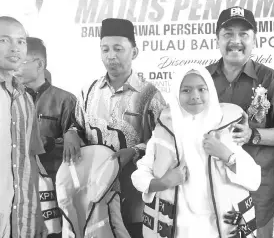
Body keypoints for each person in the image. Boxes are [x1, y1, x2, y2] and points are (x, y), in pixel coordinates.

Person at [63, 18, 166, 238]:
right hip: (94, 190)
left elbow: (164, 142)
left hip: (133, 188)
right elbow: (77, 125)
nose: (111, 56)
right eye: (105, 49)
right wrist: (71, 133)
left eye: (118, 49)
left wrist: (136, 151)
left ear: (134, 52)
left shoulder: (149, 95)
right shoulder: (88, 91)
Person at [131, 64, 261, 238]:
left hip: (221, 227)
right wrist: (163, 183)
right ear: (176, 93)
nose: (195, 96)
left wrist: (226, 155)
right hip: (180, 227)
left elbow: (254, 179)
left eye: (201, 89)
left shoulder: (226, 128)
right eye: (186, 90)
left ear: (211, 91)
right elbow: (141, 175)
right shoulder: (164, 131)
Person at [206, 6, 274, 238]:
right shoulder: (202, 78)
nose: (235, 41)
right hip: (211, 186)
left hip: (257, 187)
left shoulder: (270, 78)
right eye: (228, 34)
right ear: (217, 39)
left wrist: (253, 135)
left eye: (243, 35)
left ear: (254, 40)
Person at [0, 16, 47, 238]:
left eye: (21, 41)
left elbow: (30, 160)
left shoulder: (25, 100)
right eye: (4, 40)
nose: (15, 48)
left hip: (21, 218)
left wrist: (37, 214)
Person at [15, 37, 76, 183]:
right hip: (17, 184)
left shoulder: (66, 100)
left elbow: (78, 145)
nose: (15, 68)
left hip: (55, 181)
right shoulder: (9, 99)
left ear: (40, 64)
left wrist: (48, 143)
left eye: (21, 62)